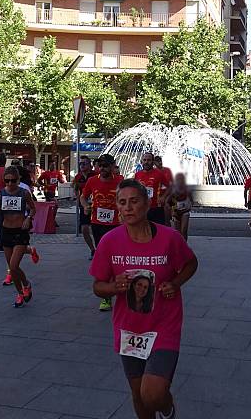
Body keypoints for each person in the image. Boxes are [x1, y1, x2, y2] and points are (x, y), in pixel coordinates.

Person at [90, 178, 198, 419]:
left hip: (164, 326)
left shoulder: (170, 238)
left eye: (134, 201)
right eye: (122, 202)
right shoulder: (109, 242)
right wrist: (113, 287)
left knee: (153, 394)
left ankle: (167, 409)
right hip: (129, 329)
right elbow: (97, 287)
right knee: (139, 395)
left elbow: (191, 263)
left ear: (147, 204)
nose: (128, 207)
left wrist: (175, 283)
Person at [81, 153, 123, 311]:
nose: (103, 169)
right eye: (101, 166)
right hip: (97, 224)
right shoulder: (92, 181)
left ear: (113, 166)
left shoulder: (120, 181)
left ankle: (118, 287)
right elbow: (83, 197)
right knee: (105, 258)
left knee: (116, 258)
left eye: (106, 166)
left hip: (116, 225)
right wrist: (85, 205)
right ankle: (107, 297)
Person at [0, 166, 38, 308]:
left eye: (13, 181)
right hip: (6, 231)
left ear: (18, 180)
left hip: (20, 232)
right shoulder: (0, 193)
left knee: (13, 265)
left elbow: (33, 208)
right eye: (7, 181)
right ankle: (20, 292)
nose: (10, 184)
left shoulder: (24, 193)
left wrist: (28, 218)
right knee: (13, 269)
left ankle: (26, 284)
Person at [72, 156, 97, 260]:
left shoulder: (96, 175)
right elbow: (75, 187)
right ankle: (92, 249)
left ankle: (100, 248)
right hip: (85, 205)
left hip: (97, 205)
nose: (81, 165)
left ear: (90, 165)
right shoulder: (78, 177)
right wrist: (78, 197)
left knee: (96, 229)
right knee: (84, 229)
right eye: (80, 164)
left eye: (84, 163)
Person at [135, 153, 169, 225]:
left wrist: (164, 197)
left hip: (156, 208)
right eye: (144, 160)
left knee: (158, 232)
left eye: (149, 160)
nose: (146, 162)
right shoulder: (137, 174)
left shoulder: (159, 174)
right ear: (141, 161)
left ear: (153, 162)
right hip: (142, 208)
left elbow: (169, 187)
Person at [167, 173, 193, 241]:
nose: (180, 181)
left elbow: (192, 200)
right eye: (178, 179)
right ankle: (179, 246)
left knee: (184, 230)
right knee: (178, 233)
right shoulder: (174, 191)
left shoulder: (187, 190)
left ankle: (184, 246)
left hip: (185, 212)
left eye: (181, 179)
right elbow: (168, 201)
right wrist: (172, 211)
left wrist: (189, 207)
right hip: (176, 212)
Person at [153, 156, 173, 227]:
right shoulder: (154, 172)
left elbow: (171, 185)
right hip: (157, 197)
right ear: (154, 163)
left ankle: (168, 228)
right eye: (157, 161)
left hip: (167, 196)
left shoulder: (167, 170)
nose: (160, 163)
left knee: (166, 208)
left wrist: (166, 198)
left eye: (160, 161)